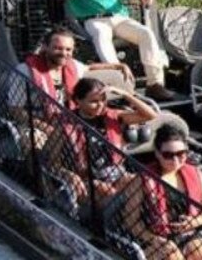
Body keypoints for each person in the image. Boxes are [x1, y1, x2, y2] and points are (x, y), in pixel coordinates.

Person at [7, 28, 132, 146]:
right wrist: (47, 127)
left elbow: (90, 67)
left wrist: (119, 66)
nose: (63, 53)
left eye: (68, 49)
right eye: (58, 48)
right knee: (33, 139)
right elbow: (15, 110)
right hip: (37, 122)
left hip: (68, 120)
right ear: (45, 47)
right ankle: (39, 169)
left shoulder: (73, 66)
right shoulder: (25, 71)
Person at [49, 76, 158, 208]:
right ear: (78, 100)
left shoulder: (112, 116)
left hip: (116, 173)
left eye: (103, 100)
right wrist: (70, 175)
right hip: (88, 178)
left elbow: (150, 115)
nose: (100, 105)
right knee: (114, 196)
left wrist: (125, 94)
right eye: (94, 101)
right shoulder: (65, 123)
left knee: (146, 185)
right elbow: (52, 162)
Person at [125, 124, 202, 260]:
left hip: (188, 234)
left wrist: (193, 222)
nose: (175, 160)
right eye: (168, 155)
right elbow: (130, 220)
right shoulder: (143, 178)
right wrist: (153, 239)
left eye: (181, 153)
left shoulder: (194, 173)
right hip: (154, 238)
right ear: (157, 154)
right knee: (173, 256)